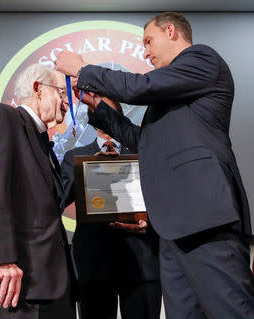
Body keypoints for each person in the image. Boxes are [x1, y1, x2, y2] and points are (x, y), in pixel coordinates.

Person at [55, 11, 254, 319]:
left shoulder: (202, 60)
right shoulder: (173, 95)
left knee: (233, 312)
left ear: (171, 31)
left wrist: (83, 69)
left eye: (149, 41)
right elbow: (141, 141)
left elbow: (139, 87)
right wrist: (99, 107)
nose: (145, 51)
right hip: (171, 231)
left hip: (205, 219)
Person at [0, 64, 76, 319]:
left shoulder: (40, 140)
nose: (66, 102)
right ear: (38, 89)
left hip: (51, 285)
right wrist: (1, 260)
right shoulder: (1, 116)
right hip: (17, 284)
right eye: (61, 92)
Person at [60, 99, 162, 319]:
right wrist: (88, 170)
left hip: (141, 262)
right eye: (97, 111)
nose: (103, 116)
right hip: (93, 264)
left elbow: (163, 199)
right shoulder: (74, 158)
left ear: (119, 116)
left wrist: (148, 223)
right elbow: (58, 201)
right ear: (91, 119)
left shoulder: (142, 152)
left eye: (107, 111)